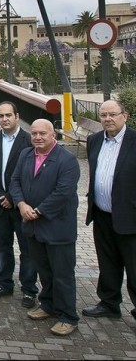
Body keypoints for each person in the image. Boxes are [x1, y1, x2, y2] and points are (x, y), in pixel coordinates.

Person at [10, 119, 80, 337]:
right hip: (32, 226)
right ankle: (48, 305)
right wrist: (21, 204)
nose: (38, 137)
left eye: (43, 133)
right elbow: (14, 182)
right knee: (44, 270)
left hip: (57, 227)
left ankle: (68, 316)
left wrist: (38, 211)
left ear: (54, 136)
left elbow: (63, 192)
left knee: (62, 273)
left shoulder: (67, 160)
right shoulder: (26, 155)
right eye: (34, 133)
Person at [82, 100, 136, 321]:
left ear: (125, 116)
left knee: (134, 268)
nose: (107, 119)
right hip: (102, 214)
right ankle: (109, 303)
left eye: (112, 114)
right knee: (107, 262)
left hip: (130, 216)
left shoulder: (134, 140)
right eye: (103, 115)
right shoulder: (94, 140)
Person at [0, 101, 37, 307]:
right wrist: (0, 197)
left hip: (21, 205)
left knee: (27, 249)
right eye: (1, 116)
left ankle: (29, 290)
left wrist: (13, 198)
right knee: (3, 247)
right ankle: (4, 283)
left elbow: (31, 174)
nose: (4, 119)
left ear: (17, 116)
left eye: (8, 115)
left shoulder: (28, 140)